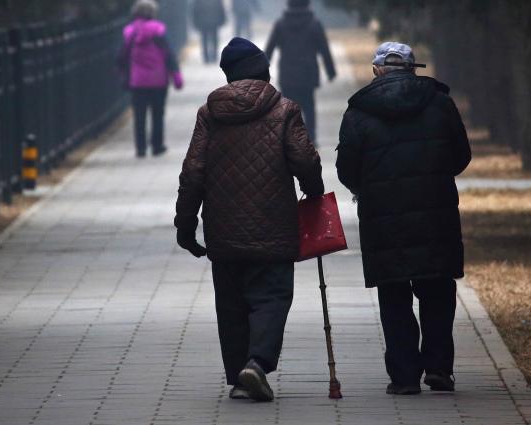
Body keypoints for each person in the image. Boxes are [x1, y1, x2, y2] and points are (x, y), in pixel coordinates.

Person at [174, 37, 324, 402]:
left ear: (228, 75)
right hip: (274, 225)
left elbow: (193, 171)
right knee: (271, 297)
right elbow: (304, 159)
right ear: (264, 69)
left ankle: (241, 378)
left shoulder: (209, 114)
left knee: (231, 304)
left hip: (223, 229)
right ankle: (256, 365)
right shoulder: (286, 109)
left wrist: (185, 223)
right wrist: (314, 192)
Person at [336, 42, 472, 395]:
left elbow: (346, 168)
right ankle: (440, 368)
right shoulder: (440, 104)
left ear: (377, 70)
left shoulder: (359, 111)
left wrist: (367, 187)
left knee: (394, 297)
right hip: (436, 213)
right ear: (413, 69)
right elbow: (461, 155)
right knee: (438, 292)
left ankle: (405, 376)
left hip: (383, 219)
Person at [265, 0, 336, 146]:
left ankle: (288, 138)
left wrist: (261, 70)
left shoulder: (280, 24)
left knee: (287, 108)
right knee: (309, 106)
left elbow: (269, 49)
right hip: (307, 73)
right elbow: (324, 49)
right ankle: (311, 138)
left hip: (287, 74)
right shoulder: (314, 24)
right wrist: (331, 71)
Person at [119, 0, 183, 158]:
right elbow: (169, 55)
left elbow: (121, 57)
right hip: (158, 79)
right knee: (158, 114)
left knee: (139, 116)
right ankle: (157, 145)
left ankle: (140, 148)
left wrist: (122, 73)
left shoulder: (130, 32)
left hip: (137, 81)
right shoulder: (159, 31)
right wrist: (176, 75)